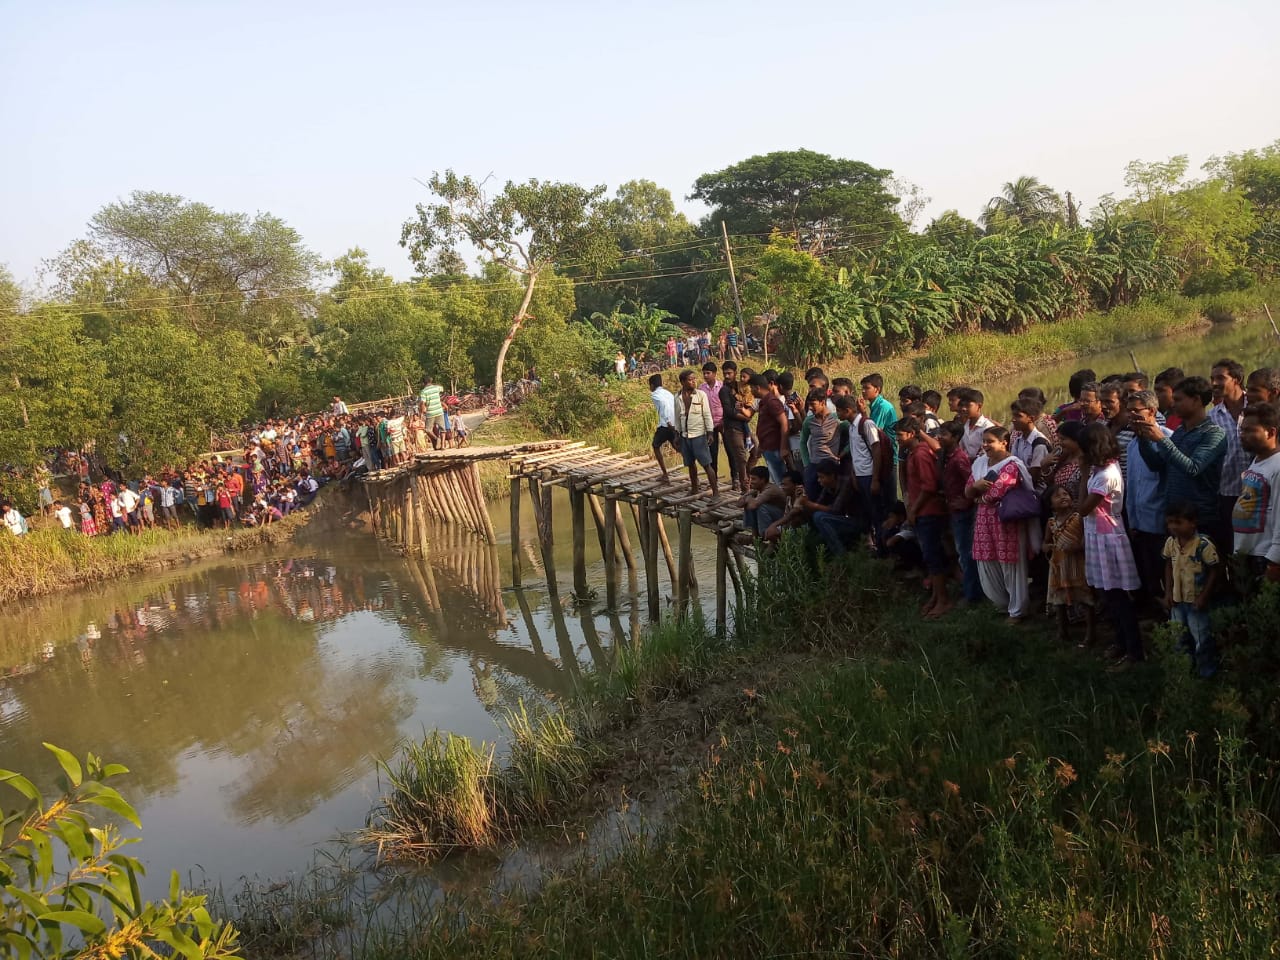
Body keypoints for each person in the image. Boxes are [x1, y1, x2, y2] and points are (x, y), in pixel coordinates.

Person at [1135, 376, 1228, 555]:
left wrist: (1161, 439)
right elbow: (1157, 465)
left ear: (1196, 400)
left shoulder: (1214, 434)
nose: (1173, 403)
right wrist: (1142, 436)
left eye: (1178, 399)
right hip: (1176, 518)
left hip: (1201, 518)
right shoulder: (1179, 433)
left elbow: (1193, 468)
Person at [1079, 423, 1143, 665]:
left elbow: (1083, 508)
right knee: (1108, 595)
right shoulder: (1102, 468)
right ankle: (1121, 642)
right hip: (1099, 537)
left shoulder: (1105, 475)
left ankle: (1134, 650)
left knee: (1117, 596)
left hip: (1108, 539)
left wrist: (1083, 474)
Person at [965, 425, 1034, 622]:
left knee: (1010, 563)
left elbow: (996, 492)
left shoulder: (1012, 465)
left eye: (990, 441)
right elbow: (968, 491)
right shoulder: (980, 464)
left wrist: (979, 494)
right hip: (984, 521)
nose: (985, 445)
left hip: (1005, 521)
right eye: (984, 441)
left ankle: (1017, 610)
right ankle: (1002, 603)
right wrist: (977, 489)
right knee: (987, 560)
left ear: (1004, 443)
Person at [898, 417, 951, 618]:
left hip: (928, 512)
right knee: (930, 557)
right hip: (923, 511)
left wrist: (913, 510)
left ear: (912, 434)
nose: (898, 440)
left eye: (901, 436)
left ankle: (943, 600)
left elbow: (929, 486)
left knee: (933, 556)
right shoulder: (914, 453)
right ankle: (937, 597)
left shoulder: (920, 454)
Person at [1125, 389, 1173, 604]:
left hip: (1161, 522)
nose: (1131, 416)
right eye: (1129, 412)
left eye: (1136, 411)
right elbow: (1133, 486)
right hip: (1141, 523)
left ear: (1152, 411)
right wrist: (1133, 520)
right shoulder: (1133, 444)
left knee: (1167, 577)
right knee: (1149, 575)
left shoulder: (1168, 438)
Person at [1163, 502, 1221, 678]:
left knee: (1201, 638)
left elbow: (1214, 570)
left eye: (1178, 522)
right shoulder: (1171, 543)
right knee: (1178, 637)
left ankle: (1206, 673)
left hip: (1196, 601)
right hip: (1177, 600)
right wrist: (1168, 592)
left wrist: (1204, 596)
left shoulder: (1203, 545)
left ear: (1193, 523)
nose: (1173, 527)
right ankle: (1184, 671)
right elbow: (1167, 565)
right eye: (1170, 522)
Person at [1233, 401, 1280, 589]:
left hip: (1265, 558)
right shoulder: (1258, 460)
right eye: (1242, 430)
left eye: (1250, 431)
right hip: (1248, 554)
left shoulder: (1277, 467)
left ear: (1271, 432)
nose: (1242, 436)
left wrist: (1274, 563)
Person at [1043, 483, 1095, 647]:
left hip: (1077, 565)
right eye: (1057, 496)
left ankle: (1090, 634)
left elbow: (1087, 540)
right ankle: (1062, 631)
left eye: (1066, 494)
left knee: (1085, 599)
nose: (1063, 497)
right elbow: (1045, 543)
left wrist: (1078, 547)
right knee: (1059, 600)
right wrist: (1047, 547)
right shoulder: (1051, 523)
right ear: (1050, 504)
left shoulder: (1079, 518)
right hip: (1058, 567)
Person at [938, 420, 982, 605]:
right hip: (953, 508)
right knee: (960, 551)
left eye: (944, 434)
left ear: (956, 438)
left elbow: (971, 483)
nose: (940, 437)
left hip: (962, 511)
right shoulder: (945, 455)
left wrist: (965, 501)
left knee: (965, 553)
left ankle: (972, 595)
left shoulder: (959, 458)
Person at [1209, 358, 1249, 548]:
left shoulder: (1256, 408)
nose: (1214, 383)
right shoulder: (1212, 417)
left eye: (1220, 378)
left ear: (1237, 379)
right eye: (1212, 378)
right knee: (1233, 549)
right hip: (1228, 494)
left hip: (1261, 492)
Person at [675, 368, 719, 497]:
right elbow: (677, 417)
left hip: (699, 435)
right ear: (683, 382)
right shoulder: (677, 397)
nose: (694, 381)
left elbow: (707, 414)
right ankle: (694, 488)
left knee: (706, 464)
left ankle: (716, 492)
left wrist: (710, 433)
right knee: (690, 464)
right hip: (684, 435)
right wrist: (677, 435)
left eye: (694, 379)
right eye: (690, 380)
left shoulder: (701, 395)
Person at [804, 459, 862, 555]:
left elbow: (835, 510)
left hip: (856, 523)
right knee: (817, 534)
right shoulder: (827, 487)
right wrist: (805, 502)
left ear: (832, 475)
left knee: (819, 517)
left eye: (821, 477)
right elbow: (818, 504)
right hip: (842, 521)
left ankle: (841, 555)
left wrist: (810, 504)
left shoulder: (846, 483)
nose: (819, 480)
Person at [750, 374, 790, 482]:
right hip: (767, 447)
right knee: (775, 478)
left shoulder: (772, 402)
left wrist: (783, 447)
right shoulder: (764, 402)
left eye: (752, 388)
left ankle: (784, 498)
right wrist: (761, 447)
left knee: (779, 479)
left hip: (774, 448)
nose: (751, 391)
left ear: (757, 388)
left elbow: (784, 422)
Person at [801, 389, 841, 499]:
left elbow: (851, 436)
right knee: (812, 497)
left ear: (822, 402)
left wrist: (842, 454)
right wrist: (806, 464)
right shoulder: (809, 421)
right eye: (809, 405)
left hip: (831, 466)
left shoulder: (837, 420)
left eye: (813, 404)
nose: (810, 408)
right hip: (814, 466)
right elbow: (803, 442)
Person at [719, 362, 751, 491]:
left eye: (729, 373)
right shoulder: (724, 391)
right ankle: (744, 489)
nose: (727, 376)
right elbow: (729, 412)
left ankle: (749, 480)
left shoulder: (740, 387)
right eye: (725, 373)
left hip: (743, 426)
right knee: (741, 458)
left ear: (735, 373)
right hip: (733, 428)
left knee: (755, 451)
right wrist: (745, 417)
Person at [1008, 397, 1050, 491]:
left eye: (1018, 416)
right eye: (1013, 416)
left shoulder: (1039, 443)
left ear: (1031, 418)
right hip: (1020, 486)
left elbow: (1033, 476)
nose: (1013, 420)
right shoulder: (1018, 440)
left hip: (1036, 491)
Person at [649, 372, 678, 485]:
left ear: (652, 385)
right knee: (678, 448)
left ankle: (665, 474)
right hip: (674, 424)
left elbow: (664, 405)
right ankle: (693, 473)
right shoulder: (668, 393)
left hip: (666, 425)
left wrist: (668, 421)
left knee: (655, 446)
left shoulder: (655, 394)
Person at [741, 465, 786, 538]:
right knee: (750, 503)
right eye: (750, 478)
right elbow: (739, 503)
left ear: (762, 480)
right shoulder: (758, 488)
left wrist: (747, 499)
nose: (751, 481)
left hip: (784, 517)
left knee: (760, 506)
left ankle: (764, 533)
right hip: (774, 515)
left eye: (753, 479)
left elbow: (753, 505)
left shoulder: (770, 489)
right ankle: (754, 535)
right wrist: (747, 498)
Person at [699, 362, 724, 473]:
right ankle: (715, 478)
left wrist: (724, 419)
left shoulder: (722, 387)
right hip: (710, 425)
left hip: (723, 422)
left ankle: (735, 479)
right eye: (704, 373)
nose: (705, 376)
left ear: (714, 374)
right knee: (713, 452)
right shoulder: (701, 388)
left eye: (708, 373)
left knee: (730, 450)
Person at [958, 388, 996, 459]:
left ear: (979, 406)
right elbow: (961, 448)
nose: (963, 409)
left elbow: (986, 452)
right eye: (963, 406)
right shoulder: (965, 425)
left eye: (968, 406)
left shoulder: (987, 427)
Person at [418, 377, 446, 445]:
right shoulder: (436, 387)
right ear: (431, 381)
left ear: (423, 383)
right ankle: (442, 445)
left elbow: (422, 403)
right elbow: (442, 388)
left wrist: (421, 412)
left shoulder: (423, 391)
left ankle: (436, 439)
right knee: (442, 429)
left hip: (430, 412)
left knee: (428, 429)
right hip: (439, 410)